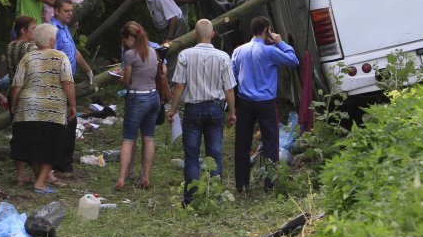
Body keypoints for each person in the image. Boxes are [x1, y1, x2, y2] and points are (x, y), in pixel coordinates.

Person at [168, 19, 236, 205]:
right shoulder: (223, 57)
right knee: (214, 153)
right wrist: (232, 112)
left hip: (193, 108)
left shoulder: (185, 55)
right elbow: (229, 88)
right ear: (213, 33)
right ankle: (214, 196)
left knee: (191, 156)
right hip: (215, 108)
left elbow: (180, 85)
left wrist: (173, 109)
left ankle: (190, 199)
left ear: (195, 34)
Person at [232, 16, 299, 192]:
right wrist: (281, 42)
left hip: (245, 101)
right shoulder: (270, 51)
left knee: (242, 142)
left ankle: (242, 184)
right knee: (270, 141)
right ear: (267, 30)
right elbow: (293, 61)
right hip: (266, 102)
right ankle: (270, 184)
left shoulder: (239, 51)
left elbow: (232, 74)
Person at [10, 23, 76, 194]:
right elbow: (68, 83)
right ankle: (39, 184)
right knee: (51, 145)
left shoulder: (27, 58)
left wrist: (14, 103)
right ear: (52, 40)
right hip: (52, 109)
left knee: (32, 144)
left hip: (28, 108)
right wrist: (73, 104)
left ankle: (38, 179)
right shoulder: (60, 57)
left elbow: (17, 84)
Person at [115, 21, 160, 191]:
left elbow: (127, 80)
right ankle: (145, 177)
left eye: (125, 40)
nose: (124, 43)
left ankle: (121, 178)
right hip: (153, 97)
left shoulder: (130, 55)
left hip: (137, 98)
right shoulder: (153, 52)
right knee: (148, 138)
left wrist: (121, 78)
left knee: (128, 139)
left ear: (130, 38)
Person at [49, 0, 93, 174]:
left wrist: (88, 70)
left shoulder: (65, 29)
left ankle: (62, 161)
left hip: (69, 79)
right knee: (66, 120)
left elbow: (74, 52)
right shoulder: (53, 30)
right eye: (66, 11)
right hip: (58, 82)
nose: (70, 14)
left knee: (69, 121)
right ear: (57, 11)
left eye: (71, 11)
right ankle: (59, 162)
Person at [5, 16, 37, 186]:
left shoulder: (10, 46)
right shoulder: (30, 47)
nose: (35, 31)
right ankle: (42, 172)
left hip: (13, 93)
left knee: (18, 134)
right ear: (23, 30)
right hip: (29, 94)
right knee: (33, 134)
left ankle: (20, 173)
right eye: (33, 28)